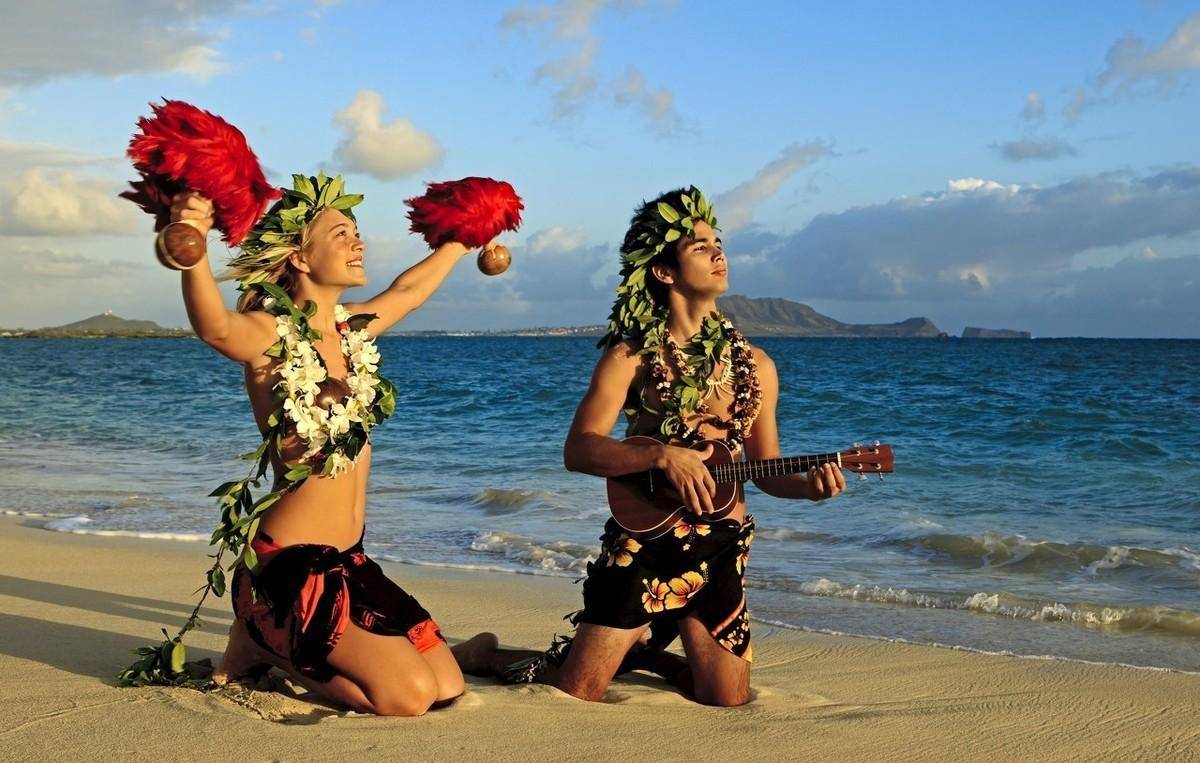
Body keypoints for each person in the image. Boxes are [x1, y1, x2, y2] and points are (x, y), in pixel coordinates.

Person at [471, 186, 845, 706]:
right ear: (664, 272)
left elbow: (764, 470)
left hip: (721, 547)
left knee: (728, 699)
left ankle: (648, 654)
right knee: (575, 691)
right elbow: (578, 449)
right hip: (644, 542)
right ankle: (486, 654)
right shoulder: (632, 356)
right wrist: (658, 453)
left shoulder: (756, 366)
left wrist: (810, 490)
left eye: (718, 242)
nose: (719, 253)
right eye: (699, 246)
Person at [169, 174, 496, 716]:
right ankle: (260, 641)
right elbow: (215, 326)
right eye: (342, 233)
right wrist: (192, 243)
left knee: (446, 685)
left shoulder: (351, 332)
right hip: (289, 568)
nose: (358, 243)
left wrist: (465, 234)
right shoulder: (270, 335)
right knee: (408, 698)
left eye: (357, 232)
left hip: (349, 561)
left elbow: (409, 293)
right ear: (300, 257)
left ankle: (273, 644)